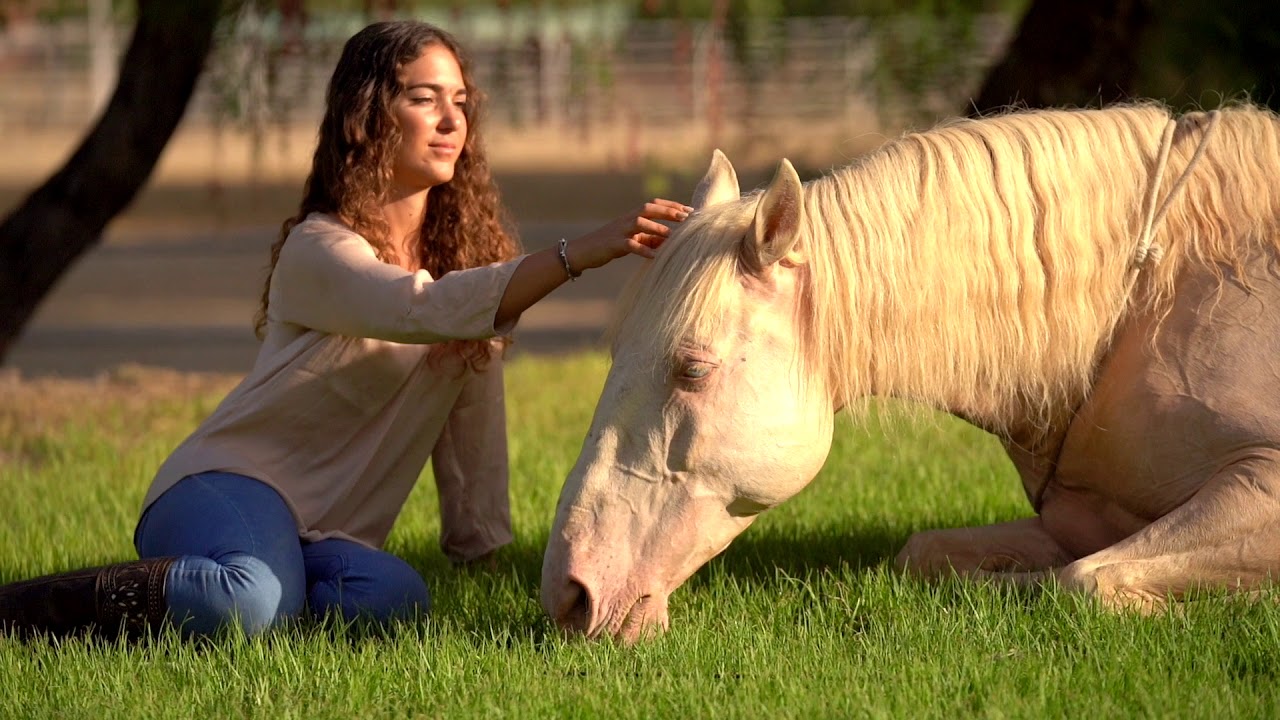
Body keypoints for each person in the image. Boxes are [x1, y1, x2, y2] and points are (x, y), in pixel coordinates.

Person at [0, 20, 690, 640]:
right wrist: (576, 255)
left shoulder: (467, 286)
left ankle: (266, 590)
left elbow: (472, 422)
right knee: (247, 607)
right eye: (425, 98)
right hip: (230, 485)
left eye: (461, 102)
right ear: (369, 114)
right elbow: (416, 307)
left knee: (396, 600)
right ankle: (37, 608)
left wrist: (479, 548)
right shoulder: (318, 250)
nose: (451, 120)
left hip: (327, 537)